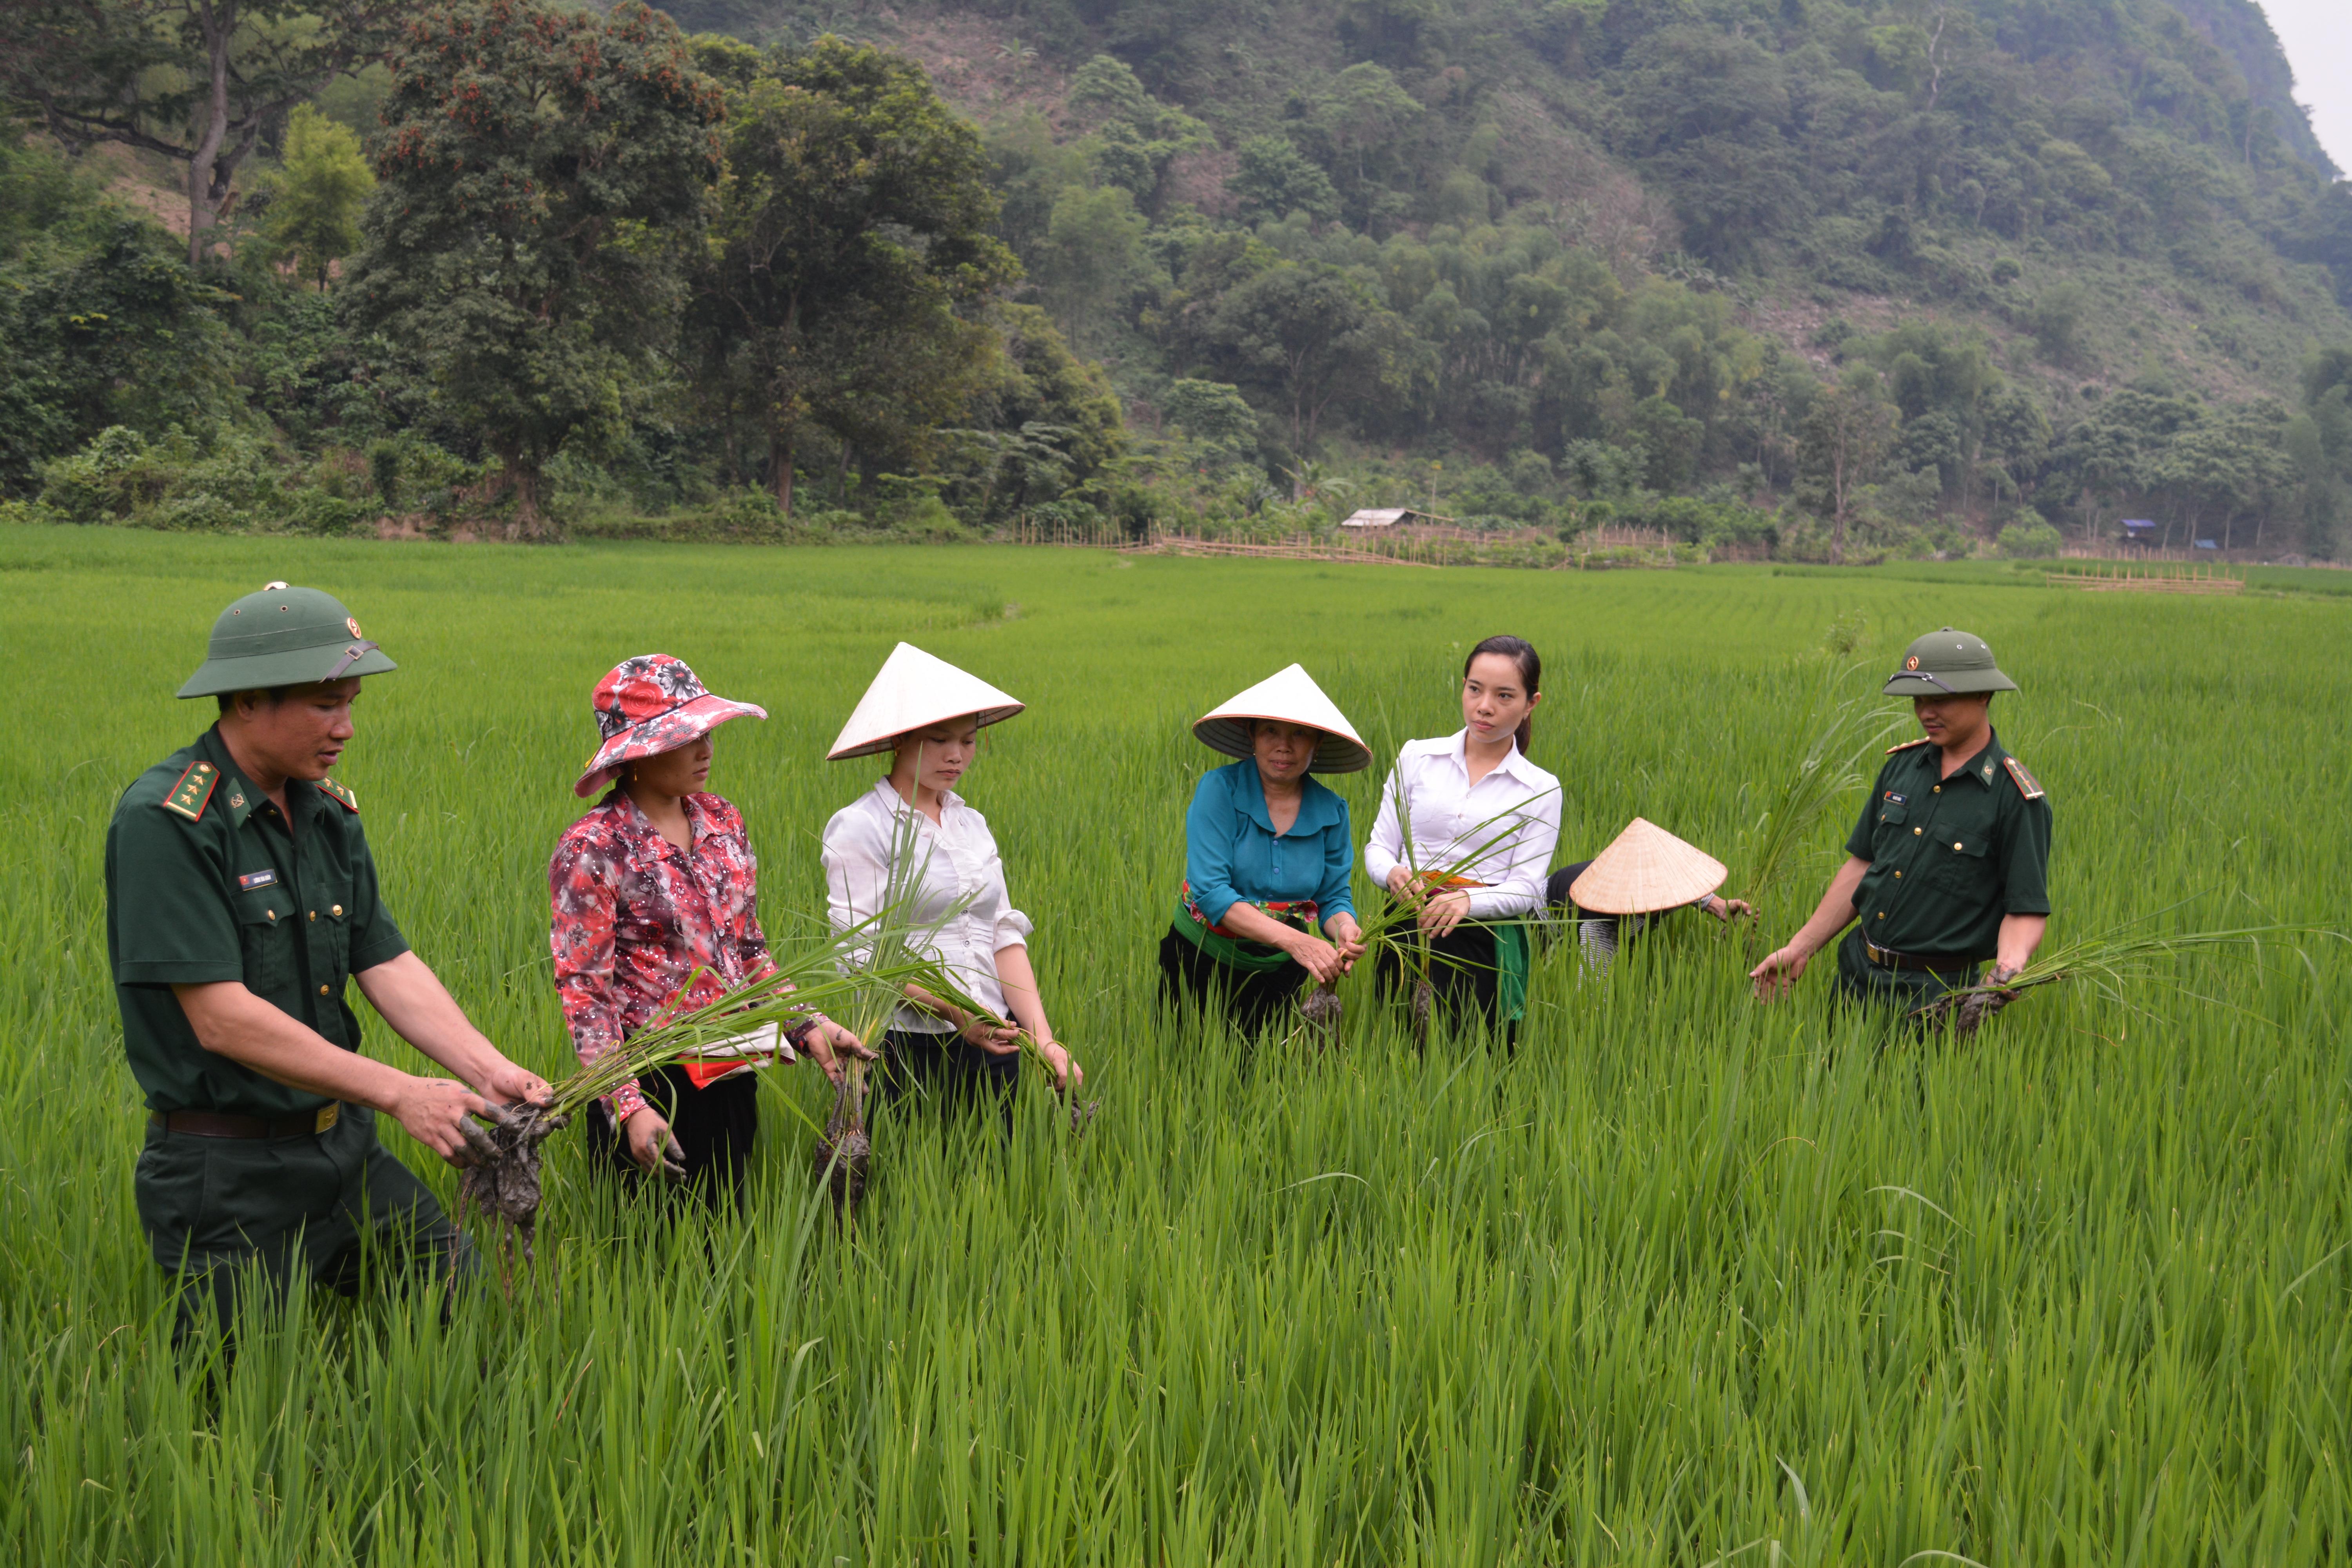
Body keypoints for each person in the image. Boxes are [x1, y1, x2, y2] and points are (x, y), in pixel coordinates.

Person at [105, 582, 554, 1342]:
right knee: (244, 1407)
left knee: (468, 1309)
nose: (345, 726)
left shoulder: (326, 811)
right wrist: (403, 1092)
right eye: (324, 704)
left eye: (351, 701)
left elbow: (385, 960)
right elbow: (220, 1018)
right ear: (247, 699)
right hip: (227, 1173)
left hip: (342, 1150)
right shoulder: (169, 820)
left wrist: (488, 1070)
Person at [551, 654, 867, 1207]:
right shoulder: (594, 848)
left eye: (707, 732)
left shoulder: (722, 821)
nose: (705, 749)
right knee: (649, 1265)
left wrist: (806, 1024)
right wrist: (629, 1107)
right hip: (652, 1086)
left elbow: (747, 950)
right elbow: (586, 998)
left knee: (725, 1243)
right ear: (637, 754)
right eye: (685, 737)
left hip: (730, 1070)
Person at [822, 643, 1080, 1126]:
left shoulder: (971, 824)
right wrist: (953, 1011)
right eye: (940, 740)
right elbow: (861, 955)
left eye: (968, 740)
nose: (957, 756)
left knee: (992, 1183)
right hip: (904, 1047)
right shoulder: (862, 827)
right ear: (900, 739)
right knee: (912, 1189)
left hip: (996, 1035)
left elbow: (1002, 933)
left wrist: (1042, 1037)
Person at [1750, 627, 2051, 1031]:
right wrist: (1801, 948)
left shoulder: (2013, 796)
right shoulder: (1901, 768)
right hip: (1857, 976)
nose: (1927, 711)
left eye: (1941, 699)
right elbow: (1862, 867)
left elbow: (2025, 908)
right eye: (1919, 699)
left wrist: (2003, 975)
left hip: (1939, 994)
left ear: (1984, 695)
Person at [1363, 635, 1560, 1037]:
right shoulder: (1418, 757)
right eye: (1475, 689)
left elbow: (1527, 887)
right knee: (1391, 1048)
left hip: (1481, 938)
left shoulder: (1540, 788)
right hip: (1405, 924)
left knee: (1471, 1054)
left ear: (1531, 704)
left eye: (1505, 695)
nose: (1484, 706)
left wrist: (1469, 899)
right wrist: (1392, 875)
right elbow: (1379, 846)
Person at [1161, 664, 1370, 1034]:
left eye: (1300, 734)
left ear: (1317, 743)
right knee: (1188, 1074)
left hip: (1280, 968)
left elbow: (1332, 897)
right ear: (1252, 734)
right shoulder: (1219, 790)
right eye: (1271, 730)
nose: (1284, 746)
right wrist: (1297, 941)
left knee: (1261, 1074)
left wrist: (1345, 930)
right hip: (1200, 959)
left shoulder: (1332, 812)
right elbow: (1210, 892)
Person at [1547, 818, 1749, 973]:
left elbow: (1685, 884)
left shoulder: (1668, 888)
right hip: (1548, 917)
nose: (1671, 905)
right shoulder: (1600, 925)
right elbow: (1592, 996)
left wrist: (1718, 906)